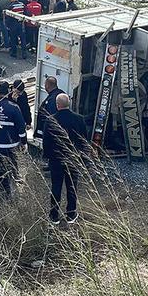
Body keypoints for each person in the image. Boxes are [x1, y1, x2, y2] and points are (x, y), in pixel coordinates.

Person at [42, 93, 89, 225]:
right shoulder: (79, 119)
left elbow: (46, 142)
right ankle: (71, 214)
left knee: (56, 186)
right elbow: (84, 140)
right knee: (72, 187)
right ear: (69, 104)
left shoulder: (50, 120)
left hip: (56, 160)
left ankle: (54, 215)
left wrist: (48, 157)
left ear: (57, 105)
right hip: (73, 159)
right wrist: (82, 157)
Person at [0, 81, 27, 198]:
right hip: (11, 144)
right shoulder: (14, 107)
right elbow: (21, 128)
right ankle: (12, 183)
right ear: (8, 91)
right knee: (12, 163)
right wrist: (24, 142)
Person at [34, 76, 63, 141]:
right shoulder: (60, 94)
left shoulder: (51, 100)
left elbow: (50, 117)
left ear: (47, 85)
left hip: (48, 134)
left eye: (45, 84)